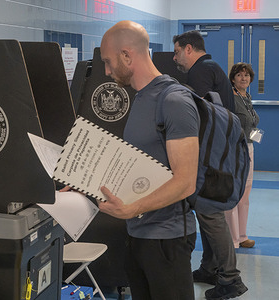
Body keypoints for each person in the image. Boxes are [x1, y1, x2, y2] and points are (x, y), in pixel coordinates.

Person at [98, 20, 200, 299]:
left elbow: (185, 182)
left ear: (127, 55)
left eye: (108, 61)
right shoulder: (142, 98)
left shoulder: (174, 101)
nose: (106, 71)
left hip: (167, 240)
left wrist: (133, 209)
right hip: (138, 235)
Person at [173, 30, 248, 299]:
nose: (175, 58)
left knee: (210, 213)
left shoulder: (200, 72)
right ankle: (209, 267)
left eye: (177, 51)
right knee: (207, 212)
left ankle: (230, 279)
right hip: (219, 153)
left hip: (209, 157)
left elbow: (196, 115)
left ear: (189, 49)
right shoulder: (213, 67)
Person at [225, 62, 259, 249]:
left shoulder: (247, 96)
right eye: (239, 75)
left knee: (245, 194)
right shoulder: (231, 97)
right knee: (234, 193)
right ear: (233, 79)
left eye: (246, 75)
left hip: (250, 147)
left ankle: (242, 235)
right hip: (235, 148)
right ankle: (232, 239)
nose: (243, 78)